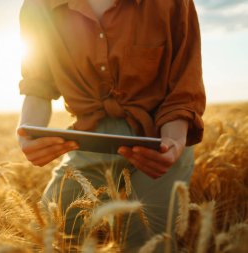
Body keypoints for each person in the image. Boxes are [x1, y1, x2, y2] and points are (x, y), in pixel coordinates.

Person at [16, 0, 206, 251]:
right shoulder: (38, 7)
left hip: (159, 141)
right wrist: (28, 130)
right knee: (47, 238)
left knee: (145, 244)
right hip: (88, 141)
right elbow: (37, 84)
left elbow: (184, 85)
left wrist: (173, 142)